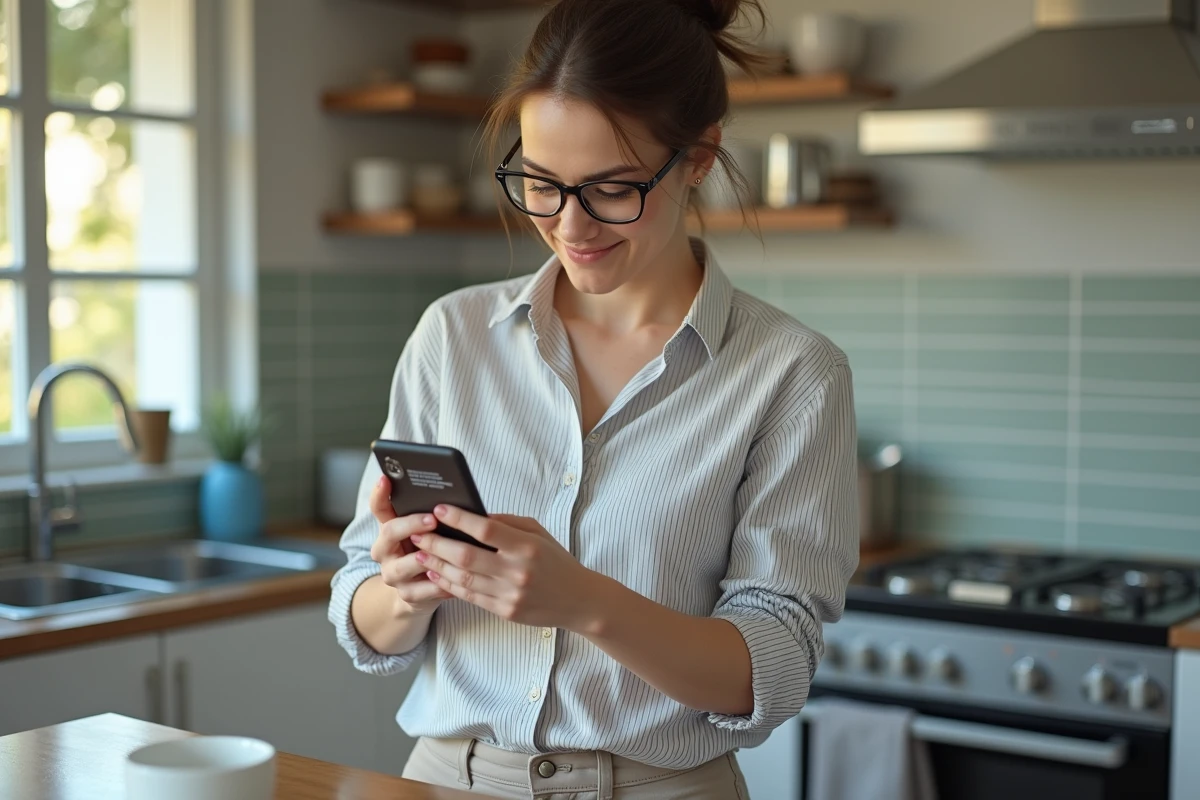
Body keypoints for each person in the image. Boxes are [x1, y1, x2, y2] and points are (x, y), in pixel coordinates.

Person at [327, 0, 859, 796]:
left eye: (612, 189)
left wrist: (583, 601)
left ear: (700, 157)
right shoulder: (453, 334)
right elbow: (360, 610)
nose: (570, 225)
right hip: (446, 780)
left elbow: (772, 665)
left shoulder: (792, 373)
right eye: (539, 184)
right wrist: (403, 592)